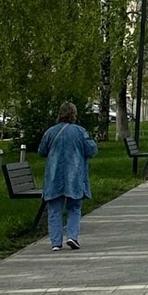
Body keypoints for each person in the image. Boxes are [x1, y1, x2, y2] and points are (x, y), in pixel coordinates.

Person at [38, 102, 97, 251]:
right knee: (74, 207)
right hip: (75, 176)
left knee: (54, 210)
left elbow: (42, 151)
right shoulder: (80, 131)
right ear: (74, 114)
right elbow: (91, 150)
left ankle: (55, 243)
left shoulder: (50, 132)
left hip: (54, 176)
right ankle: (72, 236)